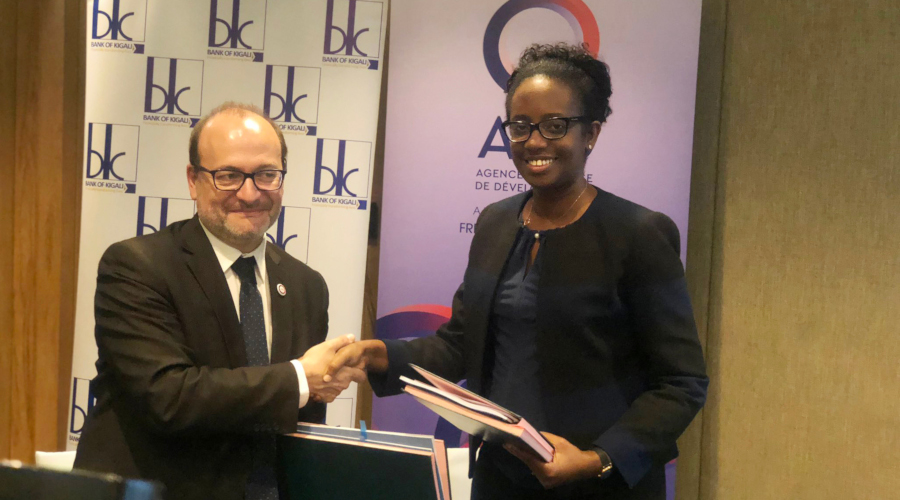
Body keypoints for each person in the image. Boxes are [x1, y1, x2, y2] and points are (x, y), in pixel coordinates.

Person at [329, 44, 708, 499]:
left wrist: (598, 459)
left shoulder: (639, 234)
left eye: (555, 126)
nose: (534, 141)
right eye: (520, 126)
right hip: (500, 481)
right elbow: (459, 347)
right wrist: (377, 356)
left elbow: (681, 383)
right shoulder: (495, 222)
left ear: (591, 133)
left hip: (599, 486)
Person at [74, 102, 365, 500]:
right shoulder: (137, 266)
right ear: (193, 181)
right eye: (228, 176)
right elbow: (168, 396)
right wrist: (300, 378)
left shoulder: (306, 285)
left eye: (266, 175)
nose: (250, 193)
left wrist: (319, 384)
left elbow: (297, 426)